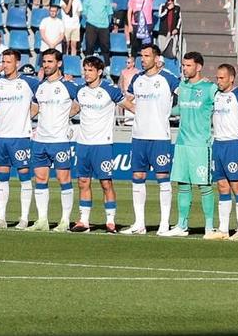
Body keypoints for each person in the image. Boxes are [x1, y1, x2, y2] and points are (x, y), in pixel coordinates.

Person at [120, 44, 178, 235]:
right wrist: (139, 111)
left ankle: (163, 223)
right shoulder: (137, 79)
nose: (142, 59)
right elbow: (126, 99)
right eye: (141, 55)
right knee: (137, 177)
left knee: (163, 178)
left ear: (156, 58)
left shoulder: (168, 78)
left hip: (160, 136)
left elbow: (184, 96)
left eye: (146, 55)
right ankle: (139, 223)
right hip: (138, 136)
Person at [69, 56, 125, 233]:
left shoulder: (110, 90)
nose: (86, 73)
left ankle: (110, 222)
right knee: (83, 182)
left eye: (90, 70)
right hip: (83, 144)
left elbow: (130, 105)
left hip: (102, 144)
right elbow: (75, 109)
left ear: (99, 72)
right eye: (85, 70)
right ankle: (84, 221)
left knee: (106, 183)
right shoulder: (80, 91)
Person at [169, 51, 218, 237]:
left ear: (198, 67)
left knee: (204, 186)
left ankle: (209, 227)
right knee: (182, 184)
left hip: (200, 144)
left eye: (188, 65)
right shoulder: (182, 86)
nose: (184, 68)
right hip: (182, 143)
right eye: (183, 65)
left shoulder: (209, 88)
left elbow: (222, 106)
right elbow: (178, 108)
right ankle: (182, 226)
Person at [0, 49, 37, 229]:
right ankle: (1, 218)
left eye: (8, 62)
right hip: (2, 137)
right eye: (3, 62)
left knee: (24, 177)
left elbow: (42, 101)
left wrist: (29, 117)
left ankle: (24, 218)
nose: (5, 65)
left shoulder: (28, 82)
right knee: (2, 177)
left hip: (21, 137)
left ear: (17, 63)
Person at [29, 48, 77, 232]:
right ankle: (42, 220)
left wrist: (67, 118)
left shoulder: (69, 86)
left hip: (59, 140)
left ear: (59, 63)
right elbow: (34, 110)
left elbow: (80, 103)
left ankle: (64, 220)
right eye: (44, 61)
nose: (46, 65)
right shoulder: (40, 87)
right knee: (40, 179)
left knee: (64, 179)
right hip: (40, 140)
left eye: (50, 61)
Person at [206, 63, 238, 241]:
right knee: (222, 186)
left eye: (222, 78)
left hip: (233, 145)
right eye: (217, 78)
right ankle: (223, 229)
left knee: (236, 187)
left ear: (231, 78)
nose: (219, 81)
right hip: (218, 144)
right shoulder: (216, 95)